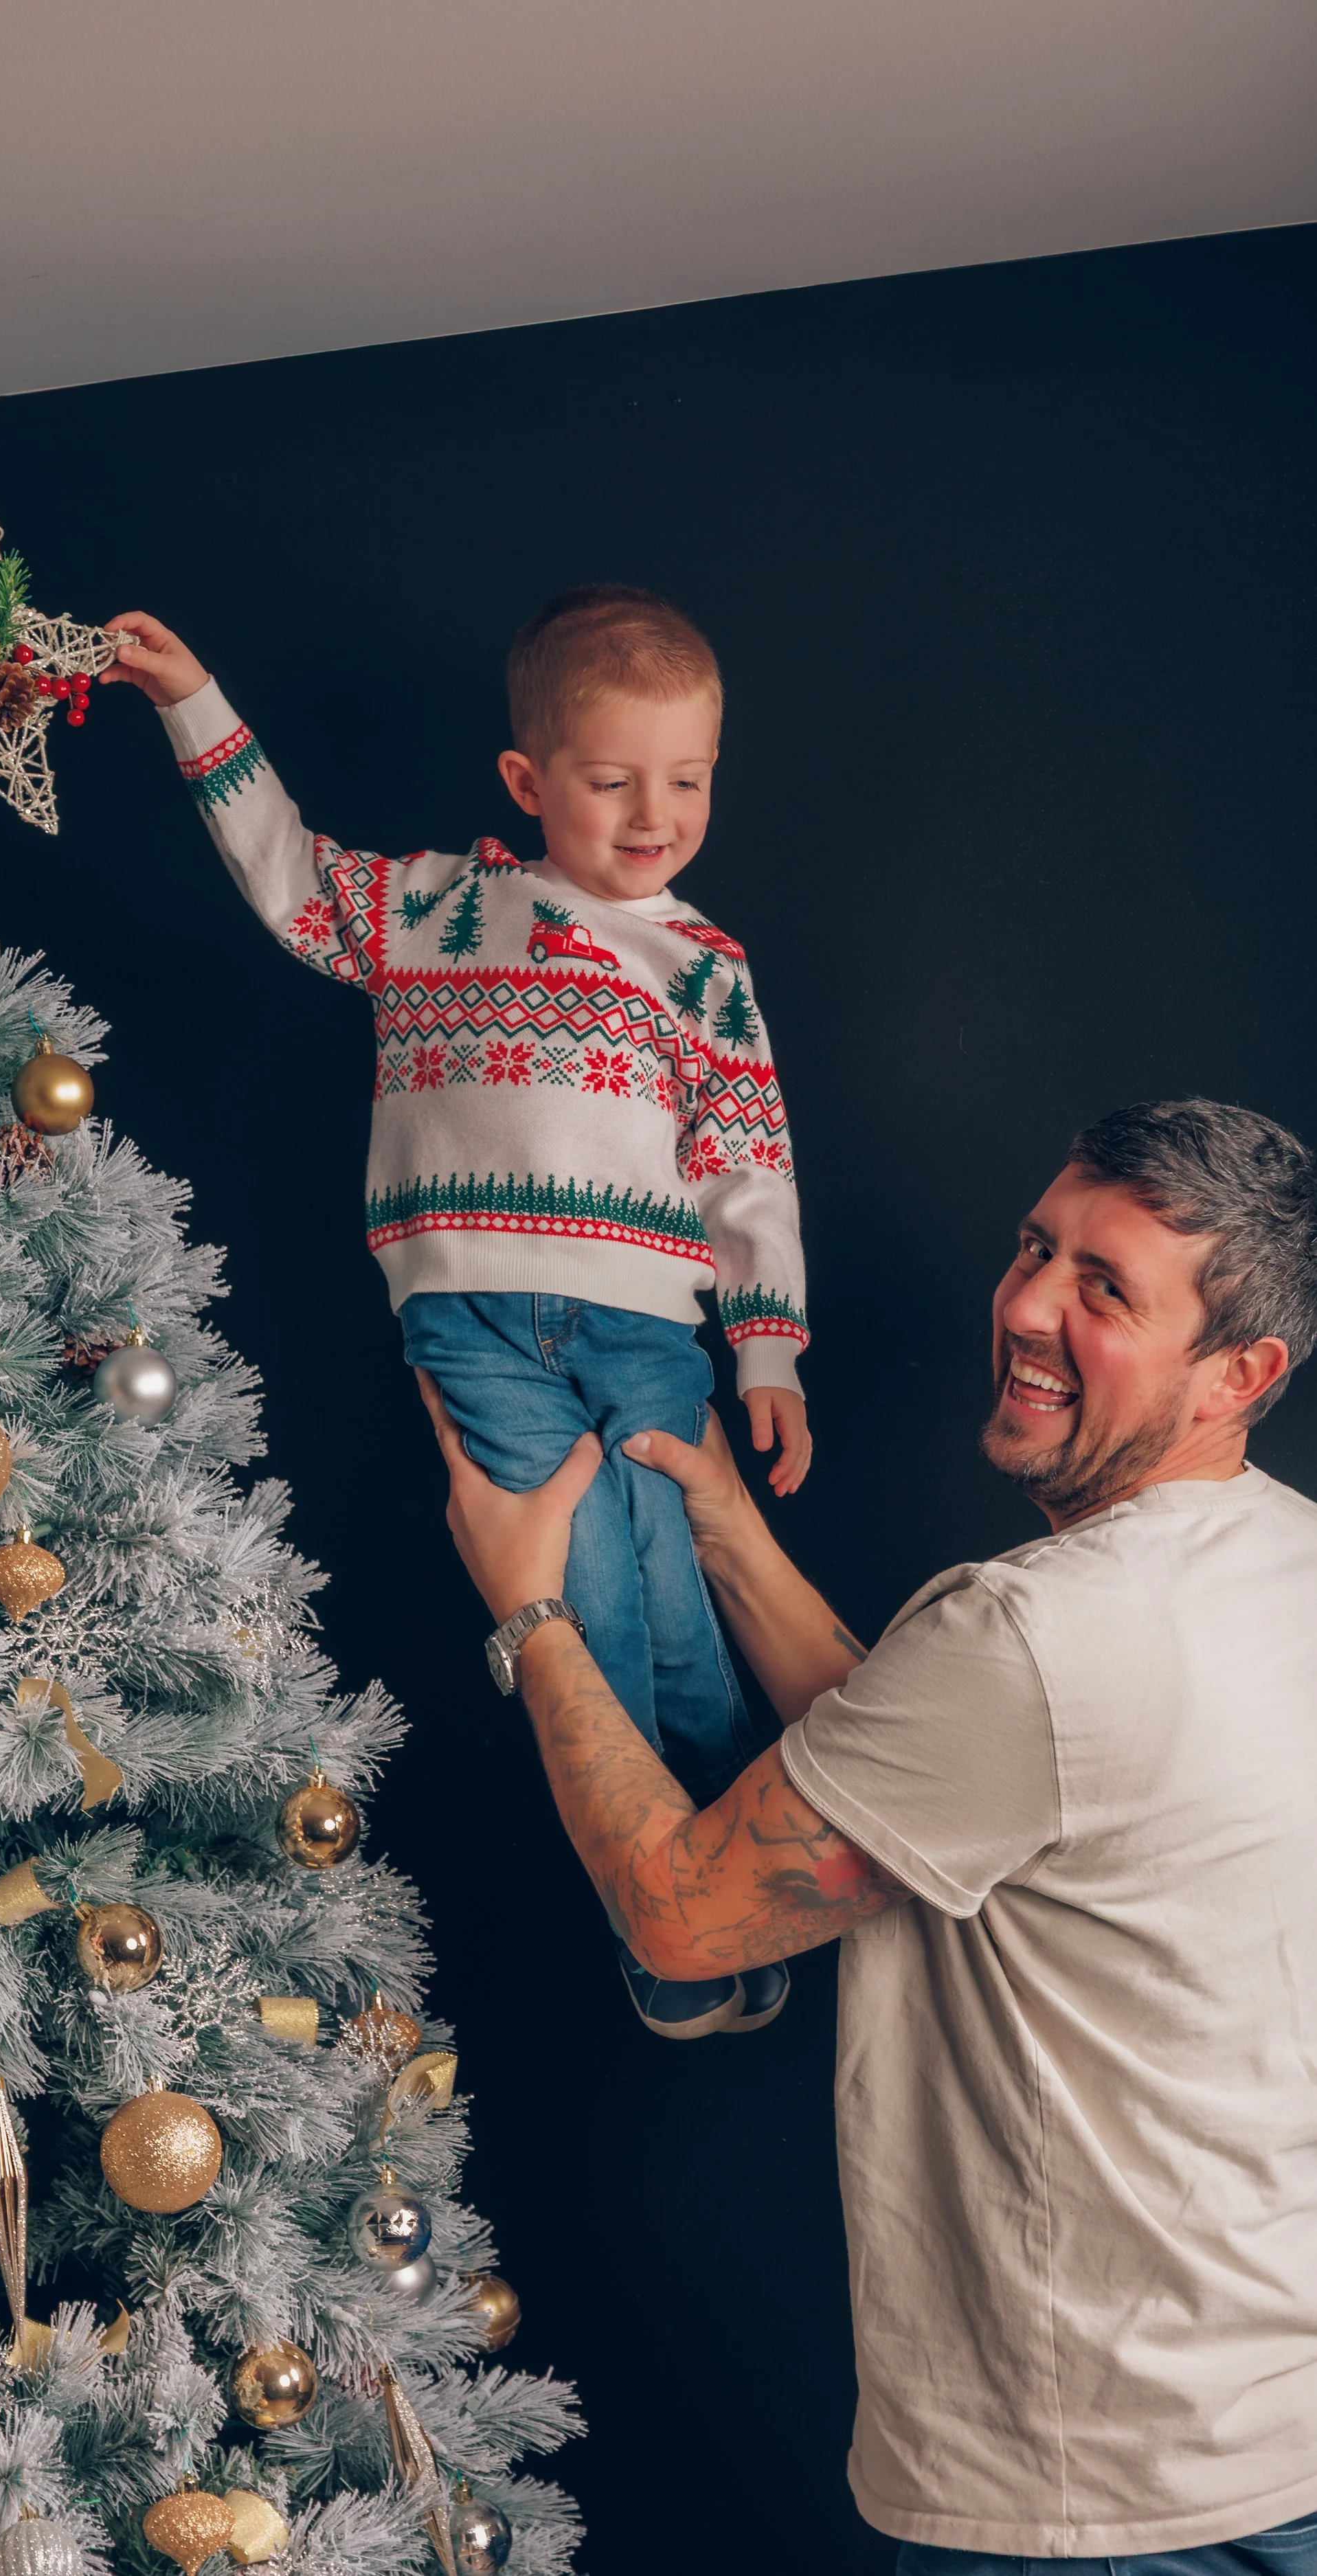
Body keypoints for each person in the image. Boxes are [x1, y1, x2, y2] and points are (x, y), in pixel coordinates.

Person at [418, 1096, 1317, 2574]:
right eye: (1036, 1247)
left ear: (1237, 1372)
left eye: (1103, 1289)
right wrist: (720, 1523)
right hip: (1274, 2425)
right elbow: (937, 1778)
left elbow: (683, 1915)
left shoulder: (1036, 1635)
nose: (1025, 1306)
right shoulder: (1277, 1560)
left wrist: (529, 1610)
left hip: (1100, 2504)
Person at [102, 589, 807, 2040]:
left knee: (676, 1604)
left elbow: (747, 1169)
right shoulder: (428, 908)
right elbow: (285, 872)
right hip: (473, 1323)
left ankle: (739, 1879)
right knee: (587, 1601)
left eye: (686, 780)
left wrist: (768, 1351)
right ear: (528, 782)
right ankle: (660, 1919)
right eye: (612, 782)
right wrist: (190, 698)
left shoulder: (709, 971)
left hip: (642, 1328)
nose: (651, 814)